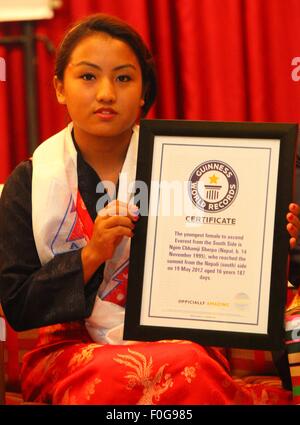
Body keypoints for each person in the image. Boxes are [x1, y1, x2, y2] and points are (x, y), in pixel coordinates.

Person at [0, 13, 299, 405]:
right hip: (68, 351)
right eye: (88, 77)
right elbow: (18, 303)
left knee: (185, 359)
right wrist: (90, 257)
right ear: (59, 87)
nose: (106, 93)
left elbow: (228, 266)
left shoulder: (184, 166)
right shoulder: (32, 181)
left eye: (123, 78)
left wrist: (282, 244)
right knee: (135, 372)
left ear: (143, 91)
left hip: (180, 339)